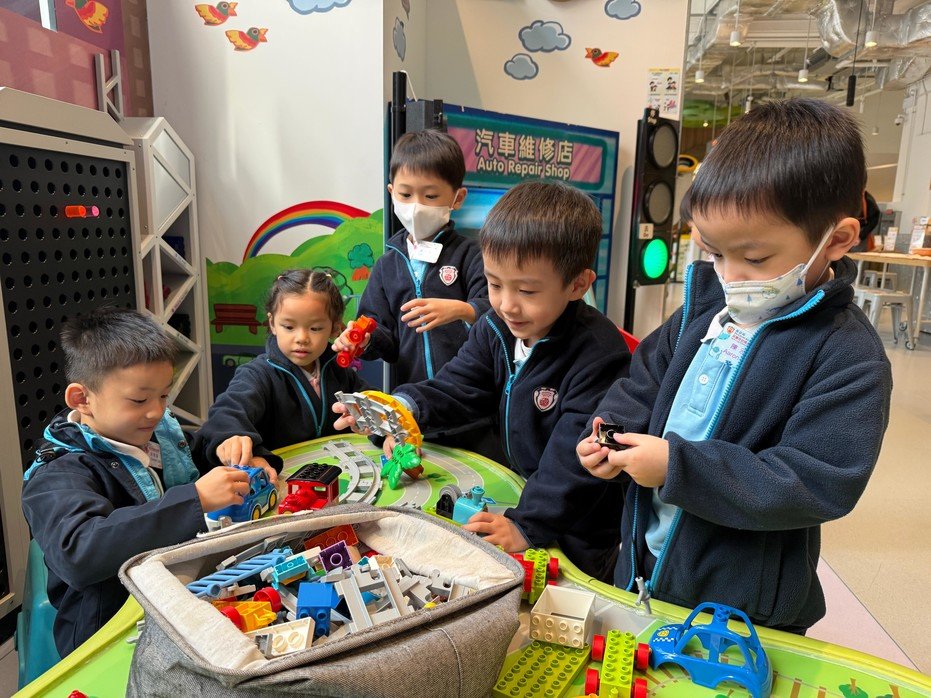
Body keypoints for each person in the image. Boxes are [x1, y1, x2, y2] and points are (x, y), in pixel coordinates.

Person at [577, 98, 892, 632]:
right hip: (648, 562)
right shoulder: (703, 312)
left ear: (836, 240)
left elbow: (815, 480)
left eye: (755, 258)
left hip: (744, 607)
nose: (730, 275)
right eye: (714, 253)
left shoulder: (848, 356)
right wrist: (611, 433)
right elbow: (641, 383)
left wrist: (678, 468)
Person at [336, 180, 630, 580]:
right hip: (524, 487)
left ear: (578, 284)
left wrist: (527, 525)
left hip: (581, 525)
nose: (507, 305)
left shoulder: (598, 354)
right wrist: (400, 408)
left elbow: (574, 457)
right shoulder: (496, 328)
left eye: (527, 291)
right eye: (494, 284)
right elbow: (457, 387)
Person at [21, 308, 251, 658]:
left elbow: (197, 451)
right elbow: (78, 552)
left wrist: (228, 446)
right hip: (107, 628)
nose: (156, 411)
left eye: (164, 396)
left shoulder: (149, 434)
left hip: (173, 596)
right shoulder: (58, 474)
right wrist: (194, 500)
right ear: (82, 399)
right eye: (139, 400)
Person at [332, 129, 502, 459]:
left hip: (472, 411)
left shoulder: (471, 255)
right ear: (392, 192)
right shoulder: (388, 264)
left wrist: (462, 310)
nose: (416, 206)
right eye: (406, 195)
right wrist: (363, 339)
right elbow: (384, 337)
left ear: (457, 198)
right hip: (413, 406)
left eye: (431, 196)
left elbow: (497, 311)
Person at [192, 269, 366, 475]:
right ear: (272, 323)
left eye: (315, 328)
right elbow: (227, 412)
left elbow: (370, 401)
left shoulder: (338, 370)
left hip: (336, 472)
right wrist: (231, 438)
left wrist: (382, 429)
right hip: (279, 477)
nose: (301, 338)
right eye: (289, 327)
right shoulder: (257, 374)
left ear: (335, 328)